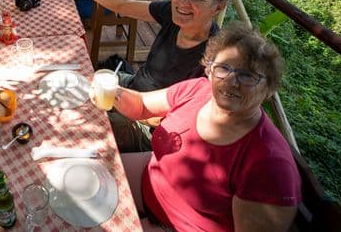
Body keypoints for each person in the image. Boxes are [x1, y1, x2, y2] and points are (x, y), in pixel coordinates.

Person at [115, 23, 301, 231]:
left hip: (180, 226)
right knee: (83, 174)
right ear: (210, 70)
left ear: (268, 89)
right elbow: (141, 106)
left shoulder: (269, 164)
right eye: (224, 68)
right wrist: (112, 91)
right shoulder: (198, 90)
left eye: (247, 75)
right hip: (151, 179)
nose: (231, 81)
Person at [68, 0, 229, 151]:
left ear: (218, 7)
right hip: (133, 86)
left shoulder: (215, 61)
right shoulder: (171, 12)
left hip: (149, 126)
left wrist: (122, 102)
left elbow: (181, 119)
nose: (184, 2)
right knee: (75, 84)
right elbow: (123, 5)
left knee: (81, 124)